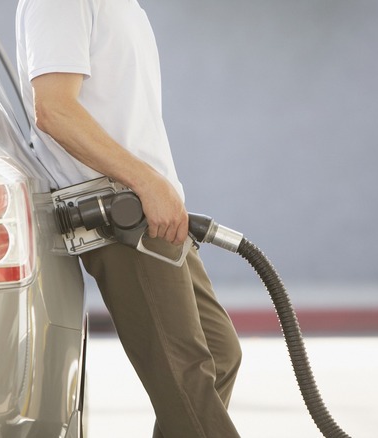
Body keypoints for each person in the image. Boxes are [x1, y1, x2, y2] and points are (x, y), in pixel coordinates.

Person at [15, 0, 242, 436]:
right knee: (187, 378)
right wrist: (147, 182)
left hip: (150, 208)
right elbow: (55, 109)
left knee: (217, 353)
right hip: (120, 213)